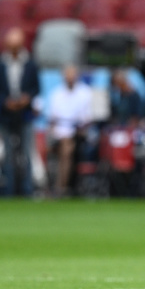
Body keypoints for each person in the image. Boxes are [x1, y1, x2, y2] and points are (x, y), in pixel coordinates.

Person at [0, 27, 40, 196]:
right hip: (6, 115)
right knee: (8, 155)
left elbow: (36, 88)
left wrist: (27, 98)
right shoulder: (0, 64)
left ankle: (27, 189)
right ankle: (10, 190)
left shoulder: (30, 64)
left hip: (25, 114)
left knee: (27, 153)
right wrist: (5, 101)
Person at [47, 64, 92, 196]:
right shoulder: (56, 93)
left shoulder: (85, 93)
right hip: (58, 133)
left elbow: (87, 118)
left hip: (76, 133)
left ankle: (60, 187)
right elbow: (52, 118)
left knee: (66, 149)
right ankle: (50, 185)